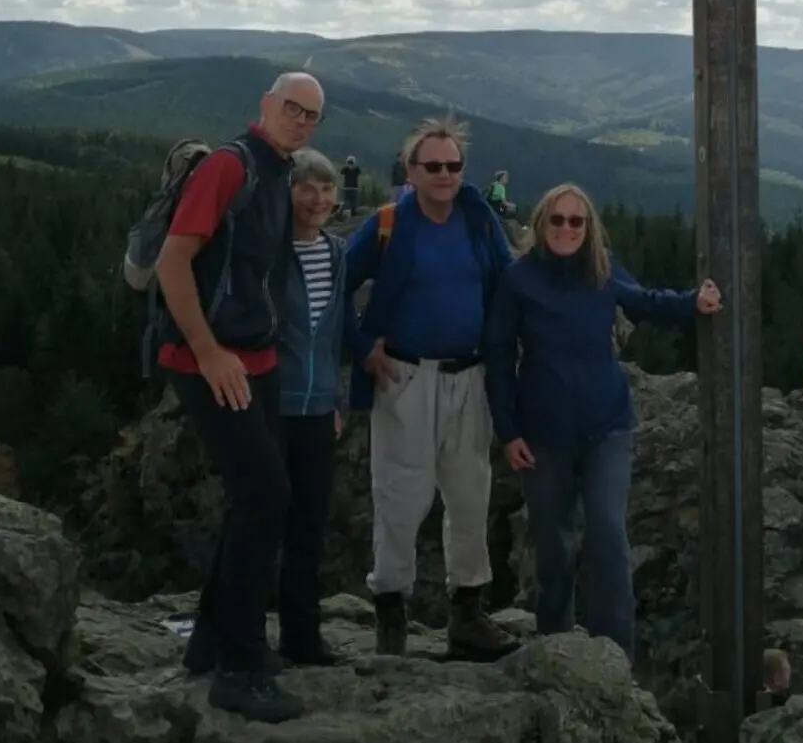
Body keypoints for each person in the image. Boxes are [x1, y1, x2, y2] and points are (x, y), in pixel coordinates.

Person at [483, 182, 722, 661]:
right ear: (541, 223)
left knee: (609, 532)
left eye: (577, 221)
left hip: (607, 427)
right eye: (558, 219)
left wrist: (694, 302)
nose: (567, 228)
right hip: (542, 434)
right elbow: (498, 357)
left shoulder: (602, 272)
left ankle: (615, 654)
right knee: (552, 541)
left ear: (588, 228)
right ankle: (555, 642)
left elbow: (646, 302)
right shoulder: (516, 280)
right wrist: (508, 431)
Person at [154, 71, 324, 724]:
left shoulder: (278, 172)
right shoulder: (230, 166)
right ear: (265, 104)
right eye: (292, 107)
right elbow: (174, 261)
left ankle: (210, 638)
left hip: (256, 358)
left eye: (311, 114)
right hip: (211, 359)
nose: (300, 120)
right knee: (266, 496)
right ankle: (241, 666)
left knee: (255, 496)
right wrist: (208, 351)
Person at [344, 117, 517, 661]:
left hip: (470, 376)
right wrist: (361, 345)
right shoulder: (390, 223)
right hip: (406, 377)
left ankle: (467, 612)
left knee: (470, 495)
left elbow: (508, 284)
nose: (445, 175)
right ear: (411, 171)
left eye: (454, 165)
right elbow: (333, 285)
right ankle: (391, 610)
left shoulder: (478, 218)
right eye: (433, 166)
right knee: (402, 495)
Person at [274, 148, 349, 666]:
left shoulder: (337, 253)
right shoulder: (271, 251)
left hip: (319, 408)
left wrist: (336, 398)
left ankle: (302, 638)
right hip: (270, 404)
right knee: (258, 523)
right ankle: (236, 634)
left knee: (308, 526)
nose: (318, 199)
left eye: (326, 190)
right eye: (307, 188)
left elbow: (335, 332)